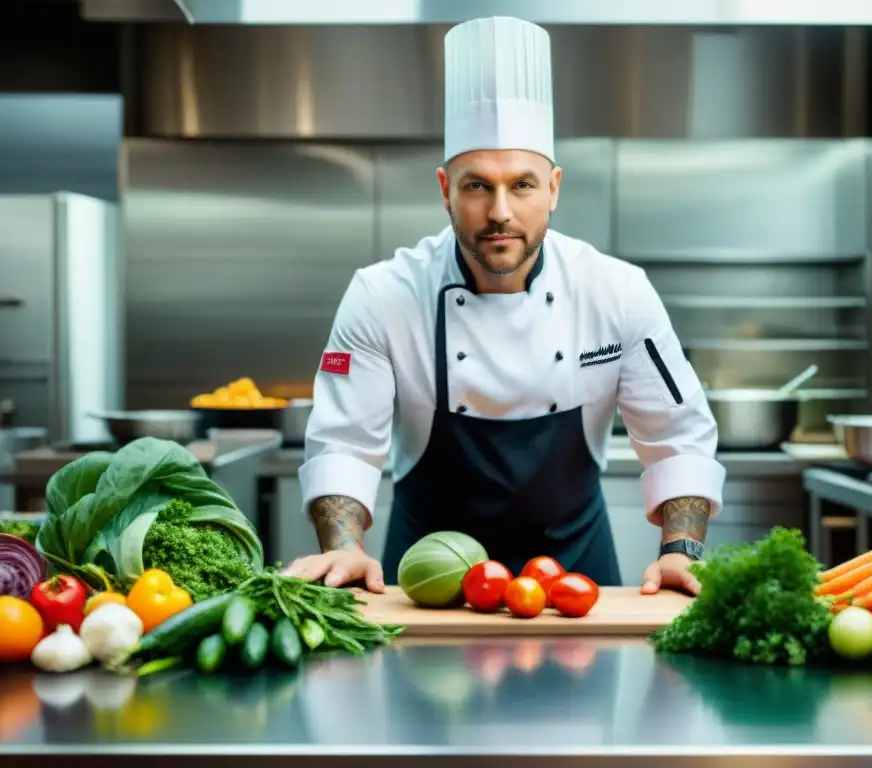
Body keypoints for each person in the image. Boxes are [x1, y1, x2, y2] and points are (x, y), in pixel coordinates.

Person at [284, 16, 726, 595]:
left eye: (521, 184)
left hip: (576, 580)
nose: (500, 212)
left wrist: (682, 549)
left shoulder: (617, 291)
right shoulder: (383, 295)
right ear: (445, 189)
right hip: (426, 585)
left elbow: (679, 435)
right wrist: (343, 549)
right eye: (476, 186)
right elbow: (343, 443)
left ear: (554, 188)